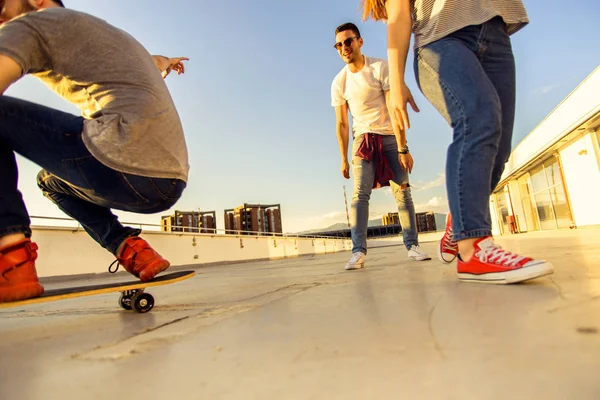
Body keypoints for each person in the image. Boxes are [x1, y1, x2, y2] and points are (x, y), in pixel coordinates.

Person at [0, 0, 190, 302]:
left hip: (120, 158)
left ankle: (11, 258)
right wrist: (168, 62)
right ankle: (131, 249)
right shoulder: (113, 38)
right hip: (168, 182)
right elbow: (156, 62)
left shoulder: (32, 24)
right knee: (50, 182)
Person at [361, 0, 554, 283]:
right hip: (442, 39)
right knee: (479, 119)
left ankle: (459, 221)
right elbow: (399, 14)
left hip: (496, 31)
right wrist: (396, 82)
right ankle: (473, 249)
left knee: (498, 151)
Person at [331, 22, 431, 271]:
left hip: (388, 137)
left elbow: (395, 109)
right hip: (362, 142)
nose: (344, 47)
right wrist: (343, 158)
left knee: (403, 192)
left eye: (348, 41)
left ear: (359, 41)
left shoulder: (379, 67)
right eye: (339, 44)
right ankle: (358, 252)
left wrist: (402, 147)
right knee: (359, 195)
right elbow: (342, 123)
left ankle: (412, 246)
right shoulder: (339, 82)